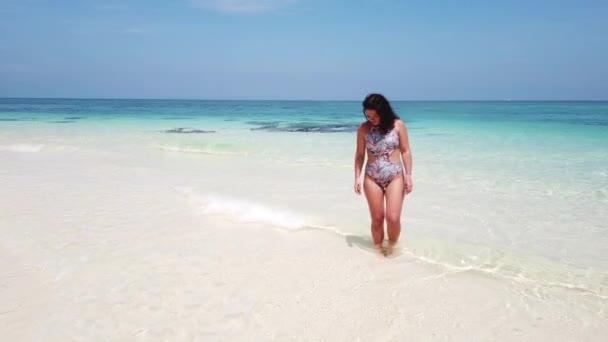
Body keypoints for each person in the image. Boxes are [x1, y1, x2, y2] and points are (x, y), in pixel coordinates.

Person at [354, 93, 413, 256]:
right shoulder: (363, 129)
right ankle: (378, 251)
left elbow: (406, 151)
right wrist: (357, 177)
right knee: (377, 218)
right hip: (372, 178)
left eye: (375, 115)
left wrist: (408, 175)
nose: (371, 119)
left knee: (393, 218)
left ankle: (392, 248)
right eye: (368, 116)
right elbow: (359, 155)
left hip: (395, 176)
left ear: (384, 112)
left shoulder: (398, 125)